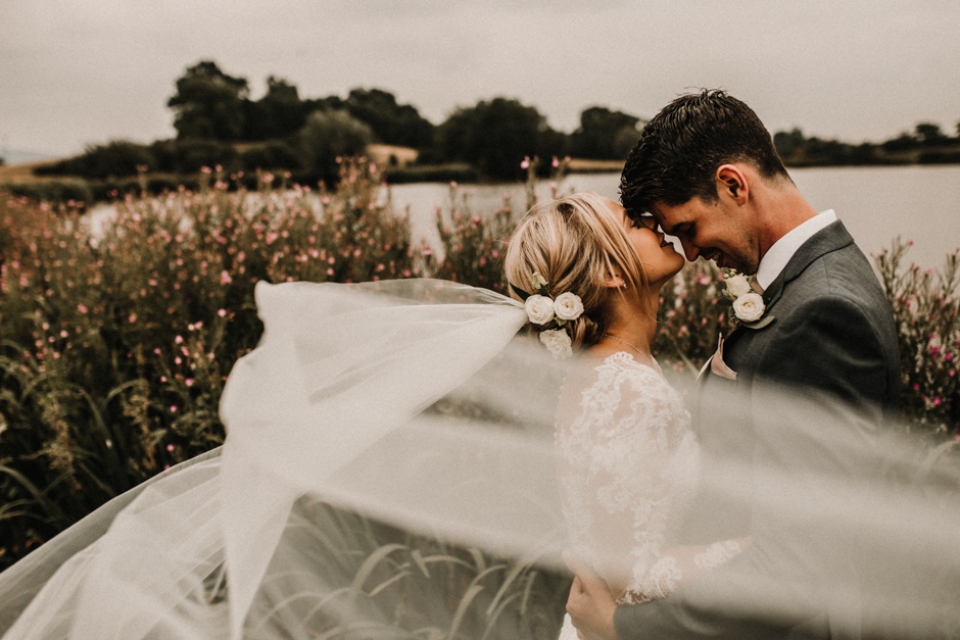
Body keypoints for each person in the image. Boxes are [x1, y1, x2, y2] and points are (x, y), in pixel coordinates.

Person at [563, 90, 901, 639]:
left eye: (690, 228)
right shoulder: (817, 280)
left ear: (733, 185)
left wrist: (626, 628)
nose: (690, 253)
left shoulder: (824, 312)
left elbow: (796, 569)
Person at [502, 193, 752, 640]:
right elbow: (630, 580)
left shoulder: (607, 373)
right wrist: (753, 551)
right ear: (610, 272)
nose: (656, 223)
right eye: (634, 222)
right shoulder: (628, 391)